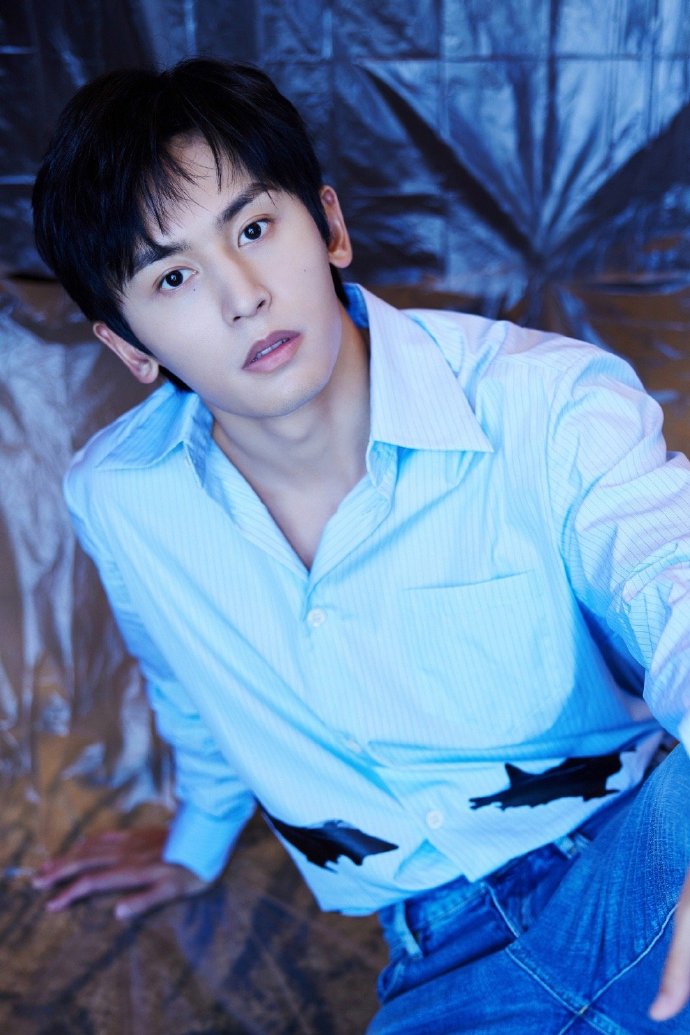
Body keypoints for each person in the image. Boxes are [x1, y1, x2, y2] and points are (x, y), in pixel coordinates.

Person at [30, 58, 690, 1032]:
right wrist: (194, 844)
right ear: (130, 346)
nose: (243, 296)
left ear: (329, 228)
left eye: (255, 230)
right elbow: (191, 687)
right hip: (447, 956)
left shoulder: (544, 402)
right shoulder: (123, 498)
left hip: (641, 849)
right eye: (173, 277)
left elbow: (670, 580)